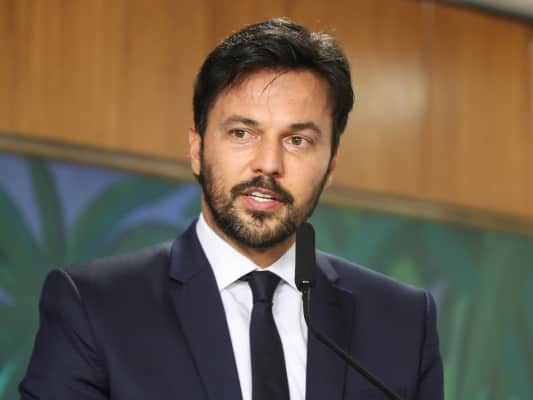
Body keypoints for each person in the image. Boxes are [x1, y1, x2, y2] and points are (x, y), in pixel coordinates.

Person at [20, 18, 443, 400]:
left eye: (297, 141)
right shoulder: (96, 307)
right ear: (197, 148)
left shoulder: (402, 322)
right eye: (242, 133)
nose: (269, 164)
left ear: (330, 166)